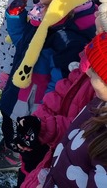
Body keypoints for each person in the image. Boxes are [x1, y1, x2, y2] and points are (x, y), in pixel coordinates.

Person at [0, 0, 99, 175]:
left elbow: (63, 87)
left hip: (36, 102)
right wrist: (15, 19)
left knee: (27, 143)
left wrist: (41, 119)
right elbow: (25, 44)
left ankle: (17, 158)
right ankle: (10, 145)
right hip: (23, 85)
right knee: (7, 113)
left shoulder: (68, 37)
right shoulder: (47, 16)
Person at [23, 32, 107, 187]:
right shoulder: (98, 103)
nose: (87, 71)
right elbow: (75, 130)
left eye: (95, 71)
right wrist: (42, 126)